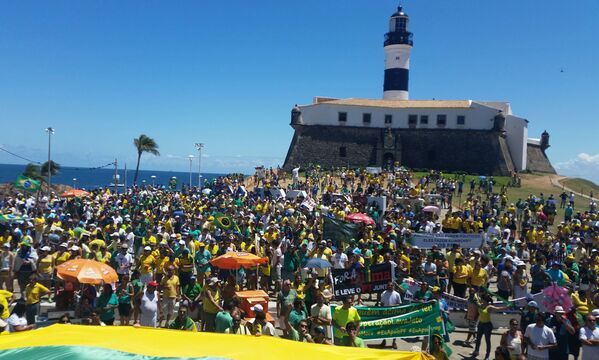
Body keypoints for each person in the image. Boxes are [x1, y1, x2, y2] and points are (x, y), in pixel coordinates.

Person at [472, 295, 507, 360]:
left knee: (487, 340)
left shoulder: (489, 307)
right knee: (478, 339)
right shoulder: (480, 305)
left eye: (481, 299)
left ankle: (487, 355)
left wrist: (507, 307)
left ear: (484, 300)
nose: (480, 300)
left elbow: (498, 309)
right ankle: (476, 351)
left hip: (487, 325)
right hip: (480, 324)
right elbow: (475, 301)